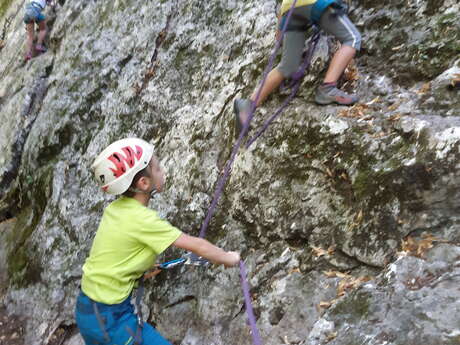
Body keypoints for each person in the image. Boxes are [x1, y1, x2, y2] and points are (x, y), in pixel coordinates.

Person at [75, 138, 240, 345]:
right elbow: (197, 245)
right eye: (158, 168)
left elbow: (114, 255)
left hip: (87, 310)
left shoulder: (115, 210)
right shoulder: (144, 221)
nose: (163, 171)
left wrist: (141, 267)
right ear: (144, 183)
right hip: (111, 320)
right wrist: (228, 258)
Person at [234, 0, 362, 134]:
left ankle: (248, 105)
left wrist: (280, 28)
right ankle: (328, 88)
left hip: (290, 10)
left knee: (287, 66)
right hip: (315, 4)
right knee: (352, 38)